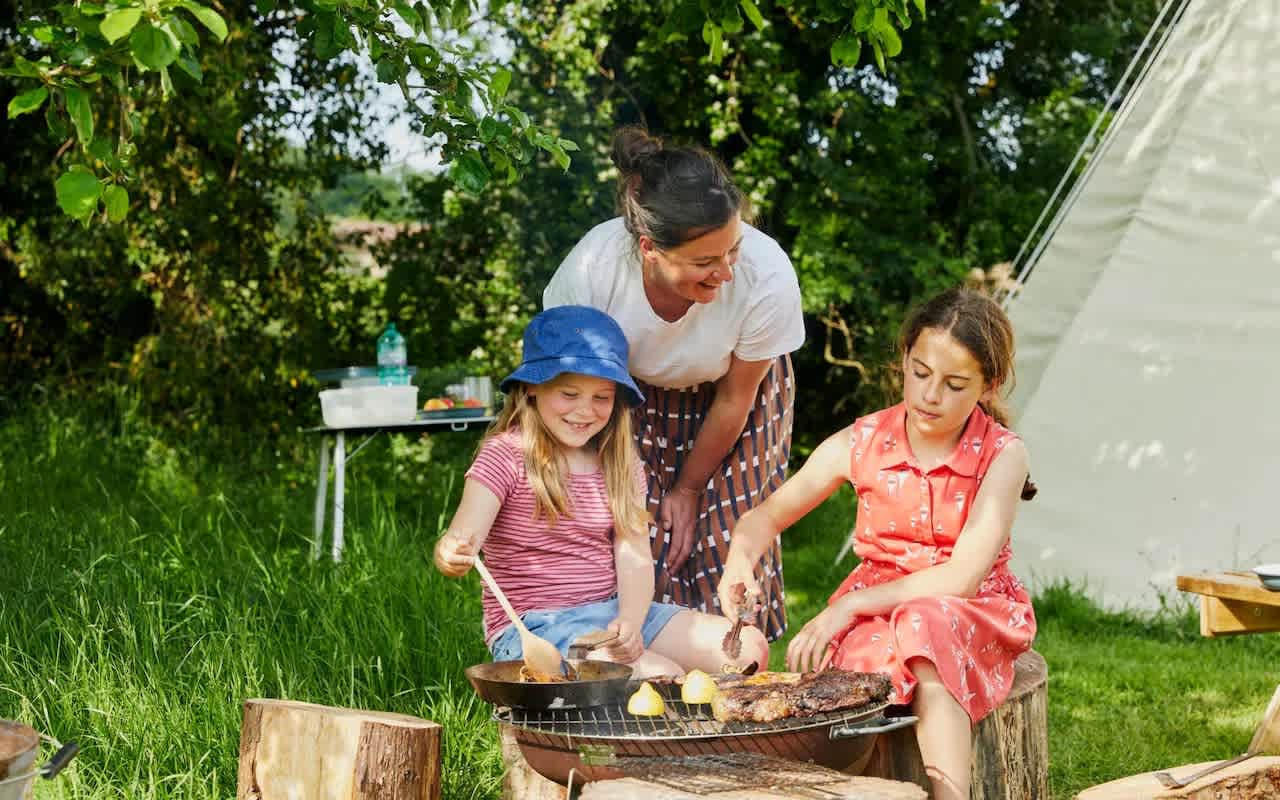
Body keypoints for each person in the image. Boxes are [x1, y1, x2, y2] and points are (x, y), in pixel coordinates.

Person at [716, 288, 1037, 800]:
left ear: (988, 385)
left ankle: (948, 795)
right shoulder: (864, 441)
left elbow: (963, 577)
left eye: (955, 385)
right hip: (878, 609)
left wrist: (849, 606)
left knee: (923, 625)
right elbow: (763, 519)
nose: (930, 395)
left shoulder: (1002, 453)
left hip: (972, 607)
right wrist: (738, 564)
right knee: (854, 680)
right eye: (920, 373)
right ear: (903, 361)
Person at [543, 127, 805, 641]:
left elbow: (735, 398)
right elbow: (572, 386)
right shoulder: (593, 272)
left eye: (732, 251)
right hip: (623, 398)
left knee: (727, 534)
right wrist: (637, 481)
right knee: (641, 531)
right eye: (705, 262)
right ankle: (641, 664)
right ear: (648, 249)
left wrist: (688, 487)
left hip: (737, 396)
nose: (726, 272)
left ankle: (740, 669)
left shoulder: (766, 273)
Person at [434, 305, 768, 678]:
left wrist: (630, 620)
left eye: (601, 397)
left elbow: (635, 555)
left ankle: (701, 722)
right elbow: (463, 537)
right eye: (569, 393)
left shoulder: (619, 462)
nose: (585, 411)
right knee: (659, 675)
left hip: (609, 611)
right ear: (531, 387)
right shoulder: (506, 455)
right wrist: (453, 552)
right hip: (535, 627)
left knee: (747, 649)